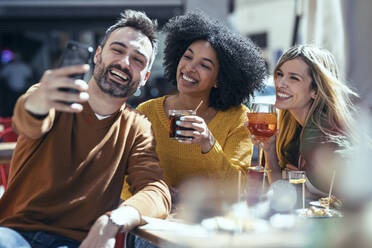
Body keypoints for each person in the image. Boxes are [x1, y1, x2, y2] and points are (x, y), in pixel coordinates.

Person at [0, 9, 171, 248]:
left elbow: (156, 191)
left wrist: (113, 220)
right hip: (15, 234)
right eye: (118, 50)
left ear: (145, 77)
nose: (124, 63)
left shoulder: (136, 127)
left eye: (138, 60)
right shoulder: (54, 96)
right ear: (98, 55)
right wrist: (38, 102)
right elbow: (27, 119)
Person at [123, 10, 267, 248]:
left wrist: (209, 144)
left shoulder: (236, 118)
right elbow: (124, 177)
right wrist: (163, 198)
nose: (190, 67)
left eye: (205, 65)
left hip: (211, 228)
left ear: (219, 79)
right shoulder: (148, 111)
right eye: (187, 57)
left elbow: (239, 188)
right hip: (156, 227)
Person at [252, 44, 357, 200]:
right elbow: (280, 192)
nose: (280, 83)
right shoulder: (292, 131)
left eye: (294, 78)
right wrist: (269, 150)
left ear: (315, 90)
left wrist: (309, 195)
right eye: (279, 74)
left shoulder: (325, 136)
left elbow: (358, 196)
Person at [0, 52, 33, 117]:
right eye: (15, 56)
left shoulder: (24, 66)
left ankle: (23, 118)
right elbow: (2, 76)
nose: (16, 58)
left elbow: (29, 78)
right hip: (11, 91)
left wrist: (28, 88)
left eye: (18, 56)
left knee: (23, 105)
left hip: (23, 90)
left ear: (20, 57)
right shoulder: (9, 66)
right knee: (11, 106)